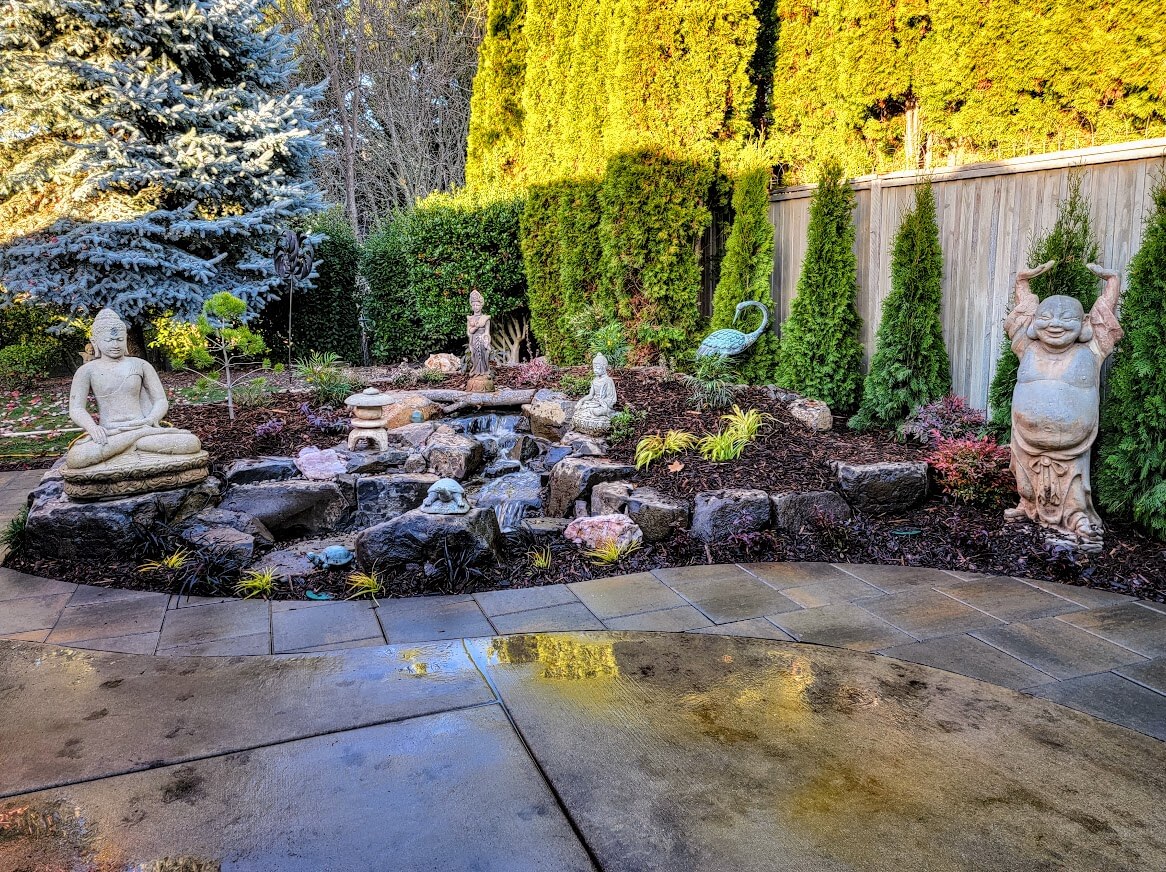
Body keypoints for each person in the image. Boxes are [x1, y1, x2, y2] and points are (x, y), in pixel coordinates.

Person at [1004, 260, 1123, 548]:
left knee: (1073, 493)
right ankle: (1027, 506)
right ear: (1034, 323)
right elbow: (1021, 316)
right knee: (1025, 484)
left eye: (1065, 318)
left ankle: (1077, 520)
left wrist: (1112, 285)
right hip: (1025, 440)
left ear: (1082, 324)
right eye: (1046, 317)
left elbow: (1103, 320)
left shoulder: (1091, 350)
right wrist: (1022, 283)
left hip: (1073, 446)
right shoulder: (1027, 348)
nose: (1054, 324)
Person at [66, 309, 203, 470]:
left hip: (143, 428)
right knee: (76, 458)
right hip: (110, 434)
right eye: (109, 340)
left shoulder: (141, 365)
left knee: (190, 443)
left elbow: (160, 400)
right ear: (94, 341)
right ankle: (134, 440)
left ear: (125, 339)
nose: (115, 345)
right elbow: (76, 409)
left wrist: (152, 418)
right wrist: (93, 428)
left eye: (119, 339)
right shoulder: (87, 371)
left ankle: (132, 442)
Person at [574, 353, 617, 419]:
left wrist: (601, 402)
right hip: (594, 402)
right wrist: (581, 401)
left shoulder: (608, 380)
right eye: (594, 368)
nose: (595, 370)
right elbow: (591, 395)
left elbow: (612, 399)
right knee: (580, 408)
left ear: (604, 368)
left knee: (596, 412)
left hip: (602, 404)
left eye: (598, 368)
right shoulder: (595, 380)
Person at [467, 290, 492, 377]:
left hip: (482, 338)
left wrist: (486, 340)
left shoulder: (486, 318)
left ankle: (485, 371)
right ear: (471, 306)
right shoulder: (470, 318)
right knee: (475, 355)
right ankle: (475, 371)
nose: (475, 307)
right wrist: (476, 327)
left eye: (477, 305)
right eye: (473, 305)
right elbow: (469, 331)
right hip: (474, 339)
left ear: (481, 306)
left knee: (484, 355)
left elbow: (487, 332)